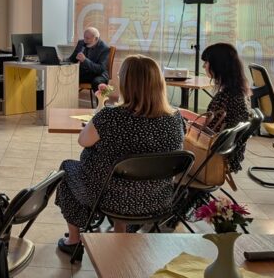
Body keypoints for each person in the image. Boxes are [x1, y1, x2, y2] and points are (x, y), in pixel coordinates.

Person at [55, 55, 185, 252]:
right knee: (124, 178)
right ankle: (121, 233)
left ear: (126, 83)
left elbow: (83, 140)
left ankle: (74, 240)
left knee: (68, 170)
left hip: (110, 197)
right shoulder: (175, 118)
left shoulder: (111, 117)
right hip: (157, 198)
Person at [180, 42, 251, 172]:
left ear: (218, 65)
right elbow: (211, 123)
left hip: (215, 155)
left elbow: (207, 126)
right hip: (230, 152)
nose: (204, 66)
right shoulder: (236, 92)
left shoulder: (226, 96)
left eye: (206, 62)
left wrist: (180, 113)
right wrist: (183, 113)